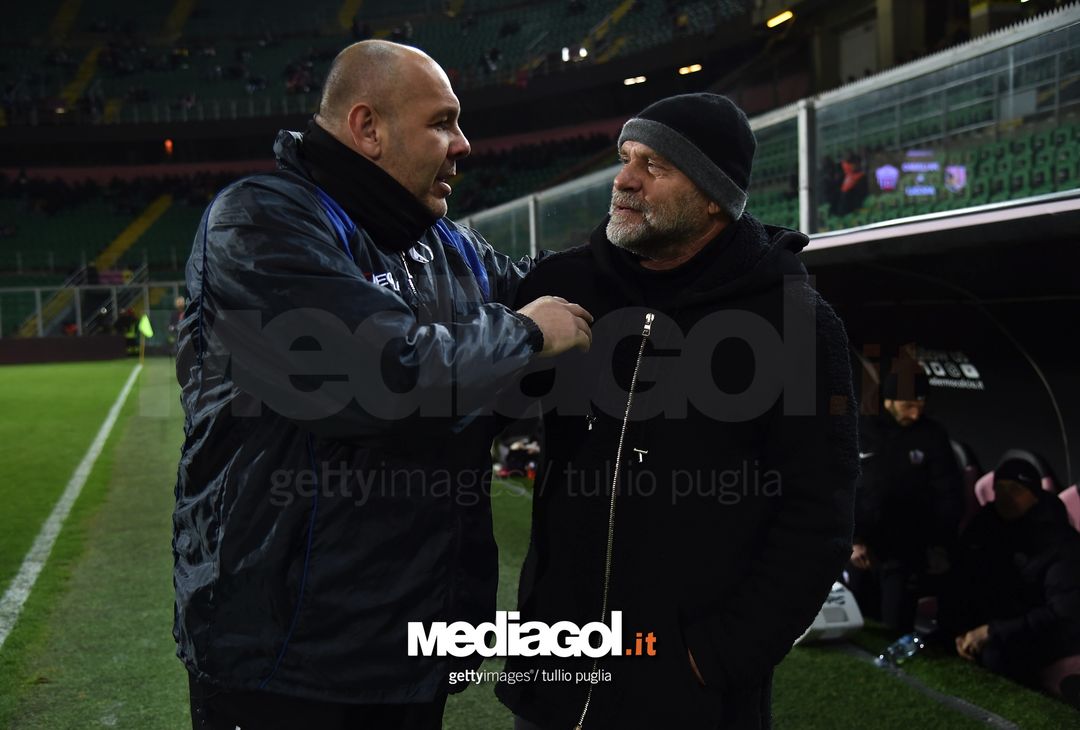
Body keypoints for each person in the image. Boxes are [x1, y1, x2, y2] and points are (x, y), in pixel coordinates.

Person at [173, 40, 593, 730]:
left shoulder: (440, 242)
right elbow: (381, 376)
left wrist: (663, 238)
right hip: (285, 659)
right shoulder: (259, 221)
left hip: (407, 651)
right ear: (368, 127)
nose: (464, 144)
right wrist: (525, 333)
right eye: (442, 122)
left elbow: (543, 283)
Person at [494, 93, 860, 729]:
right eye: (626, 158)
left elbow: (818, 512)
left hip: (692, 696)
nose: (624, 179)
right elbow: (479, 413)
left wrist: (717, 657)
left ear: (714, 195)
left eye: (655, 166)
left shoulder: (792, 320)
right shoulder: (565, 286)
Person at [941, 458, 1080, 706]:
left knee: (996, 655)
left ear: (1034, 494)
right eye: (1000, 489)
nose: (1006, 497)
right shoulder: (986, 522)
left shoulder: (1060, 541)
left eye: (1015, 490)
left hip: (1049, 629)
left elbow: (1062, 612)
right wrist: (965, 626)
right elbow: (964, 575)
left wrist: (992, 631)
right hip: (1004, 618)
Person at [847, 367, 964, 633]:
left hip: (906, 551)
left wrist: (939, 544)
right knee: (856, 624)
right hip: (860, 550)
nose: (916, 413)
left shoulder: (932, 436)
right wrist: (852, 539)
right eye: (908, 405)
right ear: (888, 400)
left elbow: (948, 494)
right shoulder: (858, 429)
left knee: (894, 625)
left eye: (921, 404)